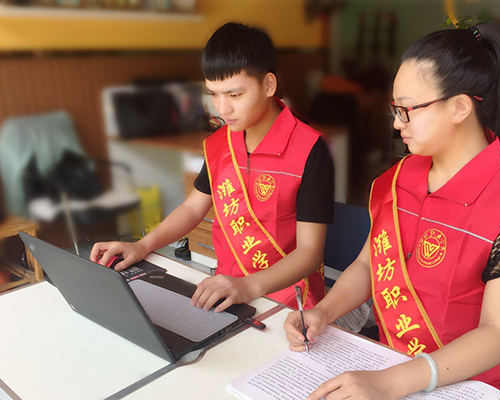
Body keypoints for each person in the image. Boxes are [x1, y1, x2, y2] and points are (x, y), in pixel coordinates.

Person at [284, 23, 500, 400]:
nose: (397, 124)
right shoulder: (396, 180)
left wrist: (390, 383)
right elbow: (368, 266)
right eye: (395, 109)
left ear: (459, 107)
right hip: (391, 362)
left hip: (471, 385)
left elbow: (499, 332)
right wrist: (324, 312)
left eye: (407, 110)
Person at [90, 22, 334, 312]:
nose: (222, 108)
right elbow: (193, 208)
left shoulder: (309, 150)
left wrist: (250, 286)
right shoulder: (221, 143)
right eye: (213, 94)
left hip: (289, 299)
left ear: (268, 85)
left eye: (234, 95)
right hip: (226, 286)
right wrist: (143, 245)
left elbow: (309, 252)